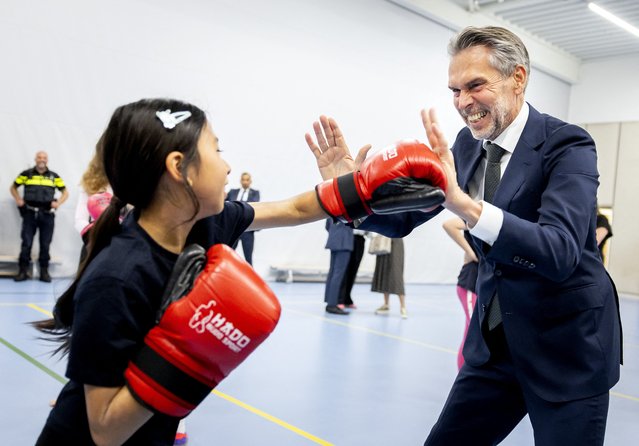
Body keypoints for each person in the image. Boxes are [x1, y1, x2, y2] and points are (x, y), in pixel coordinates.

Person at [32, 98, 446, 444]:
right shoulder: (116, 277)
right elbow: (105, 429)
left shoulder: (206, 222)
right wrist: (187, 352)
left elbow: (293, 208)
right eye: (217, 150)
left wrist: (353, 185)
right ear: (181, 168)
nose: (228, 167)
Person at [309, 26, 622, 446]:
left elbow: (559, 249)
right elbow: (405, 219)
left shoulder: (567, 144)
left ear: (518, 78)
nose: (462, 103)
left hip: (567, 351)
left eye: (475, 85)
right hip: (495, 348)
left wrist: (467, 208)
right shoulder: (467, 145)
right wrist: (350, 194)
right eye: (455, 90)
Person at [10, 150, 69, 282]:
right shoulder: (26, 174)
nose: (41, 159)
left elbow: (65, 192)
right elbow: (13, 188)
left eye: (44, 158)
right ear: (35, 159)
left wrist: (58, 203)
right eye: (39, 157)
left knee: (45, 244)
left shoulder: (54, 176)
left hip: (47, 215)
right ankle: (23, 271)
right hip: (29, 213)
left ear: (47, 160)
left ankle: (44, 272)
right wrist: (18, 199)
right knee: (26, 242)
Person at [443, 216, 480, 370]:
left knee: (470, 332)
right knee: (474, 332)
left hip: (478, 283)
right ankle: (465, 375)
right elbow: (448, 224)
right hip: (470, 283)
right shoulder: (477, 216)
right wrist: (470, 252)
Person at [74, 139, 113, 263]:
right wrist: (94, 236)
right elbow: (80, 219)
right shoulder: (90, 182)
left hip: (123, 245)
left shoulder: (129, 182)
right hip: (94, 243)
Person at [226, 172, 260, 265]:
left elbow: (255, 206)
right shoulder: (232, 192)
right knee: (228, 255)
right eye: (243, 179)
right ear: (240, 180)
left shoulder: (255, 193)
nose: (245, 182)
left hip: (248, 230)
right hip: (234, 229)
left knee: (248, 258)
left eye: (247, 180)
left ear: (250, 181)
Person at [324, 218, 353, 315]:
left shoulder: (330, 210)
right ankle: (332, 304)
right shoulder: (348, 209)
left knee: (332, 273)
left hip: (334, 240)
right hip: (344, 242)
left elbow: (327, 226)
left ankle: (330, 302)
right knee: (338, 274)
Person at [372, 237, 407, 318]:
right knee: (384, 271)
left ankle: (403, 306)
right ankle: (386, 304)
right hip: (384, 240)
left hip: (395, 241)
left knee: (396, 273)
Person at [338, 228, 366, 310]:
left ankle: (347, 298)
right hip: (349, 236)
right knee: (345, 269)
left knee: (354, 269)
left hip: (361, 238)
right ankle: (340, 298)